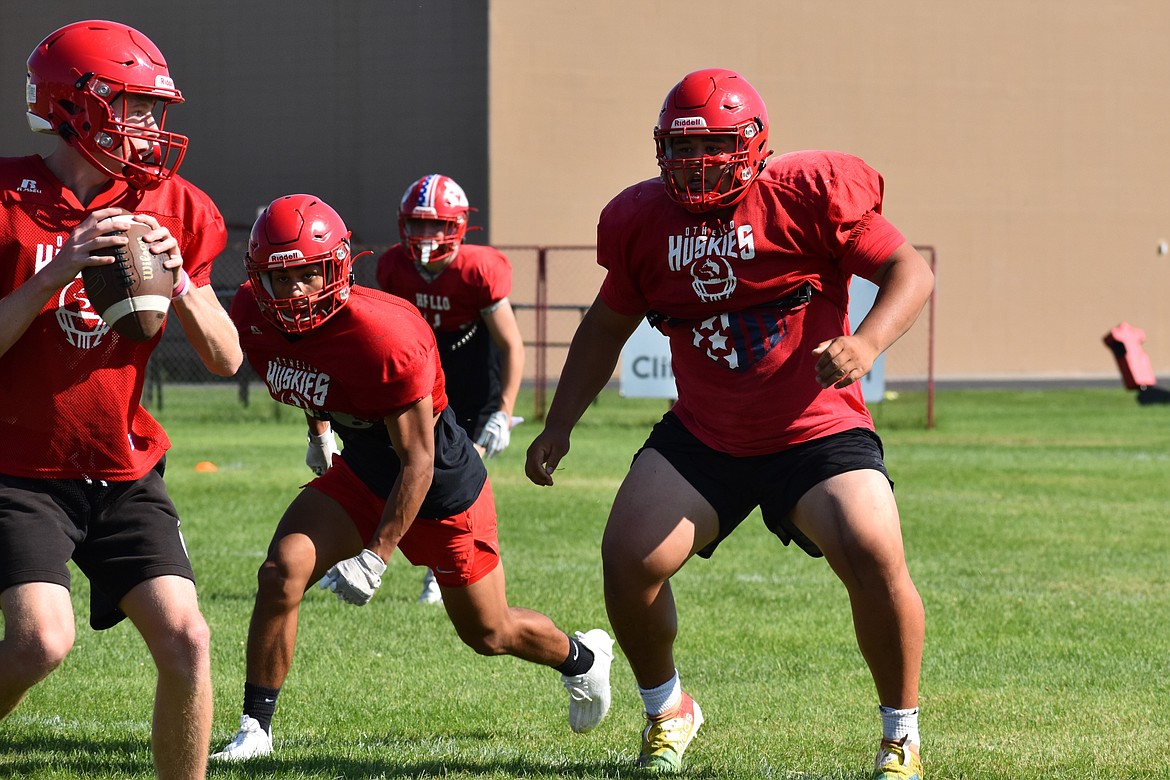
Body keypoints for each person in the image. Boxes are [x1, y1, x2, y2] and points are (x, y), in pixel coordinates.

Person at [525, 68, 933, 779]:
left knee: (872, 548)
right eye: (682, 150)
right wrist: (559, 423)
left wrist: (865, 343)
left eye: (713, 145)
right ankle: (667, 709)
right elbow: (604, 327)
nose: (696, 163)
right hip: (707, 433)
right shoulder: (642, 221)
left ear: (753, 144)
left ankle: (901, 734)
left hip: (816, 428)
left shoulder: (807, 194)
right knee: (628, 560)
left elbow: (909, 271)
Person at [211, 193, 612, 761]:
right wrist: (319, 433)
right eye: (280, 278)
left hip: (440, 488)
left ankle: (583, 658)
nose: (295, 292)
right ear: (257, 277)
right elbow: (306, 370)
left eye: (308, 275)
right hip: (364, 473)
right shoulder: (252, 314)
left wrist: (376, 555)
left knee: (489, 633)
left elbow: (418, 461)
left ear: (339, 268)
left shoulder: (385, 335)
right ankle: (255, 727)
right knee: (281, 573)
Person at [0, 20, 242, 780]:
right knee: (42, 641)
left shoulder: (176, 205)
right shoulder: (7, 199)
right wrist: (52, 272)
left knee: (188, 640)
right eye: (131, 106)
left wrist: (186, 286)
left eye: (151, 108)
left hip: (123, 465)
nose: (148, 127)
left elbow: (228, 357)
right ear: (75, 105)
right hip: (20, 467)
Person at [374, 173, 525, 605]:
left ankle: (448, 568)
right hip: (421, 373)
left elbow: (511, 345)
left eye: (437, 224)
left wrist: (502, 410)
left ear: (458, 225)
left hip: (473, 374)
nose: (427, 235)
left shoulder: (478, 269)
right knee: (414, 467)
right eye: (419, 224)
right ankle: (439, 565)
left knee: (452, 476)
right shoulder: (394, 267)